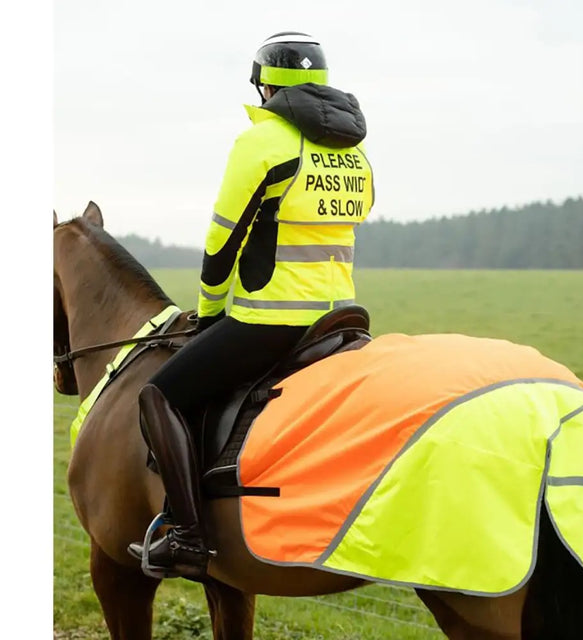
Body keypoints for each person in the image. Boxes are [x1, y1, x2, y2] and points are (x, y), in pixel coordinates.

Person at [127, 31, 374, 580]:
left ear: (264, 84)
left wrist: (211, 311)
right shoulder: (354, 153)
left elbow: (222, 244)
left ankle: (188, 537)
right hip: (340, 318)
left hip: (271, 321)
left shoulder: (260, 143)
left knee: (159, 393)